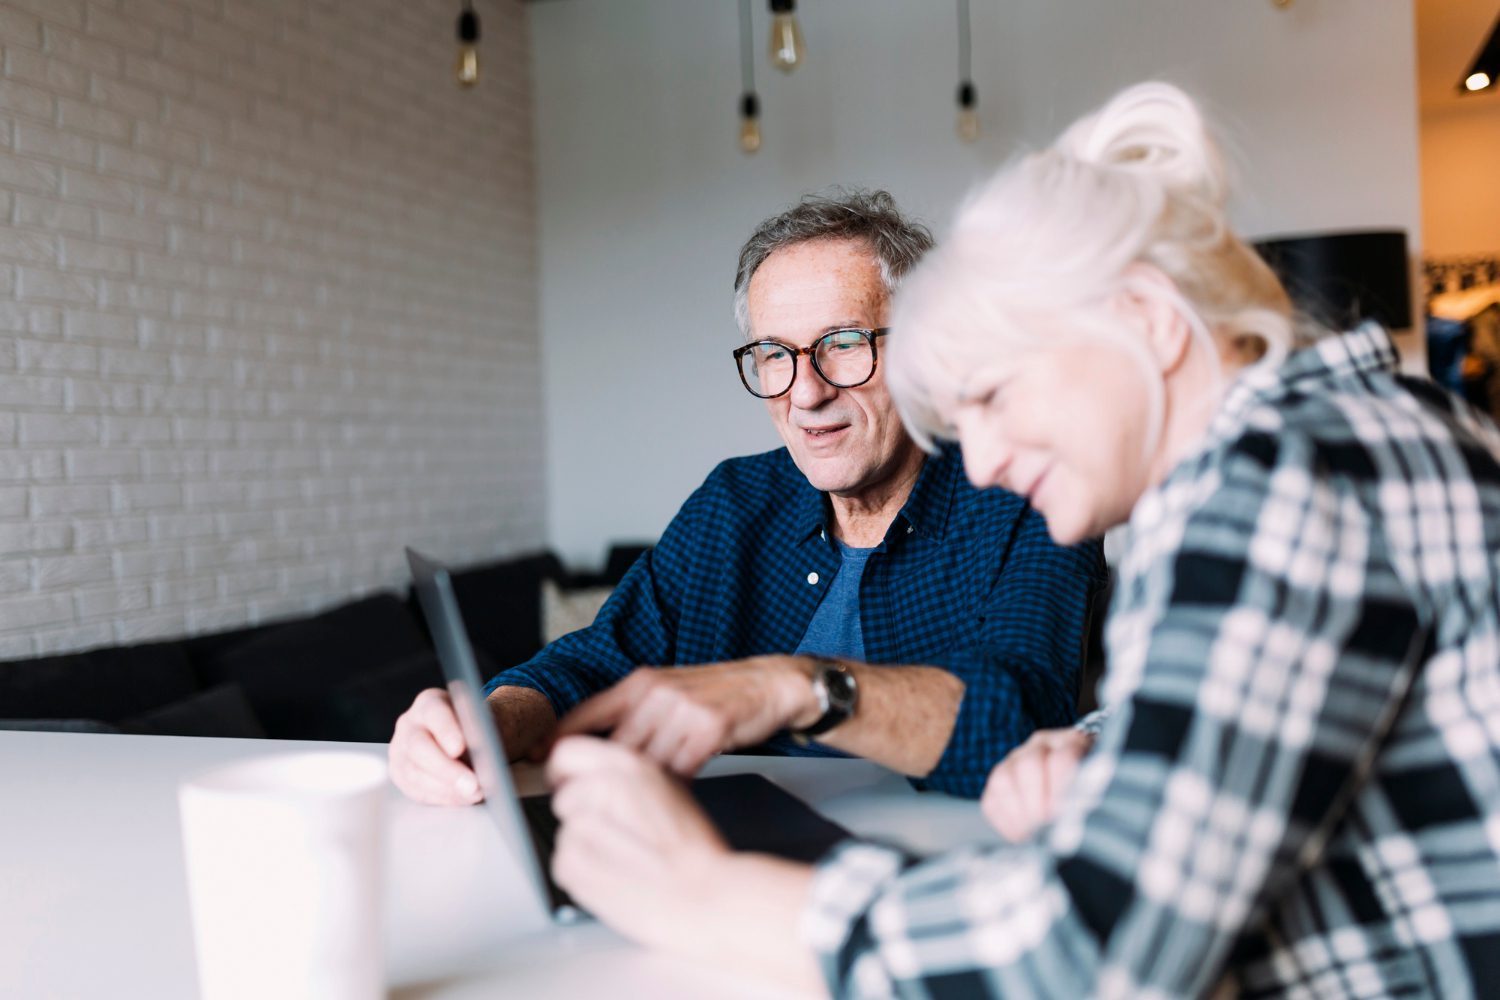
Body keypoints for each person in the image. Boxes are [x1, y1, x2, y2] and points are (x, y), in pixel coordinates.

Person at [543, 83, 1500, 997]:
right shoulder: (1355, 435)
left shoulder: (1287, 480)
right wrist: (1105, 746)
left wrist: (700, 891)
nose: (985, 461)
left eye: (996, 395)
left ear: (1150, 323)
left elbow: (1091, 961)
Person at [389, 190, 1104, 803]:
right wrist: (490, 719)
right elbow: (600, 659)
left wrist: (792, 686)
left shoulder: (1024, 492)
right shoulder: (735, 503)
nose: (807, 393)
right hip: (731, 853)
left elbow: (1021, 717)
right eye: (775, 356)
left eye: (844, 344)